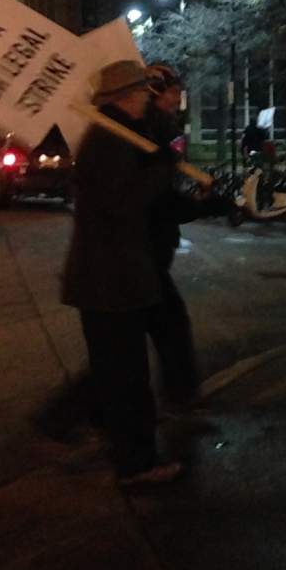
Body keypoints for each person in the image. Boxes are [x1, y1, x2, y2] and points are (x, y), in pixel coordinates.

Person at [61, 60, 185, 487]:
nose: (144, 101)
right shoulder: (108, 139)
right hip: (110, 282)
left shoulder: (118, 134)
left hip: (115, 280)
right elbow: (124, 205)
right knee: (125, 379)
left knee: (119, 375)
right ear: (125, 96)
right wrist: (163, 169)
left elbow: (143, 200)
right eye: (140, 95)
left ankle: (123, 449)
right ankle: (136, 464)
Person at [142, 63, 222, 414]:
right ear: (156, 92)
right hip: (143, 249)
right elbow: (158, 200)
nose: (178, 99)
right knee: (167, 326)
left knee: (132, 336)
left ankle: (181, 393)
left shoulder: (157, 130)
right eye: (173, 92)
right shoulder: (147, 133)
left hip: (149, 248)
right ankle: (182, 395)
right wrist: (202, 206)